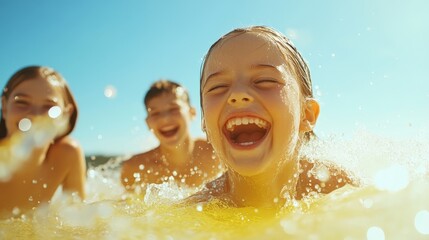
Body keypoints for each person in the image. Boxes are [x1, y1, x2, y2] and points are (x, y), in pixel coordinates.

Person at [192, 26, 357, 208]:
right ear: (205, 123)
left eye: (265, 81)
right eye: (218, 87)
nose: (237, 94)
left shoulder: (337, 188)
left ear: (306, 115)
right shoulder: (194, 211)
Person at [0, 66, 86, 215]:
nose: (34, 115)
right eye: (21, 102)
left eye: (49, 106)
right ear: (5, 108)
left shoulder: (67, 154)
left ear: (66, 114)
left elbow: (80, 224)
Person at [121, 80, 223, 192]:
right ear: (148, 123)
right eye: (155, 113)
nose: (165, 119)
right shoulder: (134, 169)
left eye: (173, 109)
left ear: (192, 113)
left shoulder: (218, 153)